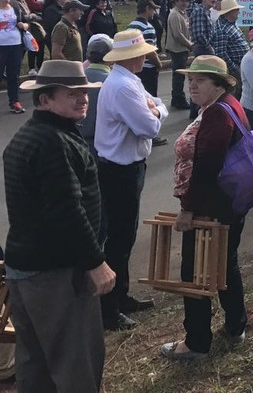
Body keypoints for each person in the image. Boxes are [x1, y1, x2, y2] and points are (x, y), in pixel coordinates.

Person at [3, 60, 114, 392]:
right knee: (74, 364)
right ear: (44, 100)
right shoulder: (53, 142)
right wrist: (95, 262)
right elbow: (66, 211)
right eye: (72, 94)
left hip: (26, 269)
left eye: (84, 92)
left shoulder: (31, 135)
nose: (82, 99)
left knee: (34, 363)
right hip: (55, 273)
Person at [160, 57, 250, 361]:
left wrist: (188, 209)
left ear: (220, 84)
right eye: (190, 79)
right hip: (228, 203)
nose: (192, 84)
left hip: (210, 207)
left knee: (195, 272)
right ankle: (236, 327)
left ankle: (196, 342)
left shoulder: (217, 115)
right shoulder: (224, 106)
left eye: (201, 79)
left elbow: (207, 168)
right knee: (225, 264)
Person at [94, 29, 168, 330]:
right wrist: (155, 112)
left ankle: (119, 297)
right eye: (142, 54)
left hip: (126, 166)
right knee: (119, 238)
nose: (146, 58)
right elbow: (148, 127)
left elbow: (157, 105)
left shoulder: (128, 80)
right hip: (119, 169)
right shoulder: (123, 86)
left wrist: (156, 110)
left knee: (124, 235)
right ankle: (108, 308)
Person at [0, 0, 28, 114]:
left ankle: (15, 101)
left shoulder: (15, 8)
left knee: (13, 75)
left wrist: (24, 25)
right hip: (1, 46)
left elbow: (25, 22)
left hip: (15, 44)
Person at [211, 0, 249, 87]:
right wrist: (233, 68)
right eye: (237, 10)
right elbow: (220, 53)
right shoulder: (222, 29)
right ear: (229, 12)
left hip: (241, 64)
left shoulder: (231, 24)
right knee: (236, 90)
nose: (239, 12)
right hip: (235, 67)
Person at [165, 0, 193, 109]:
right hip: (178, 49)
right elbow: (178, 34)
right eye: (182, 1)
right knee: (178, 75)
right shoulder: (175, 14)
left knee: (179, 75)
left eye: (186, 1)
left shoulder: (183, 13)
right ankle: (178, 99)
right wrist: (189, 44)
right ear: (176, 2)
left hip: (182, 48)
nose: (184, 3)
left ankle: (176, 98)